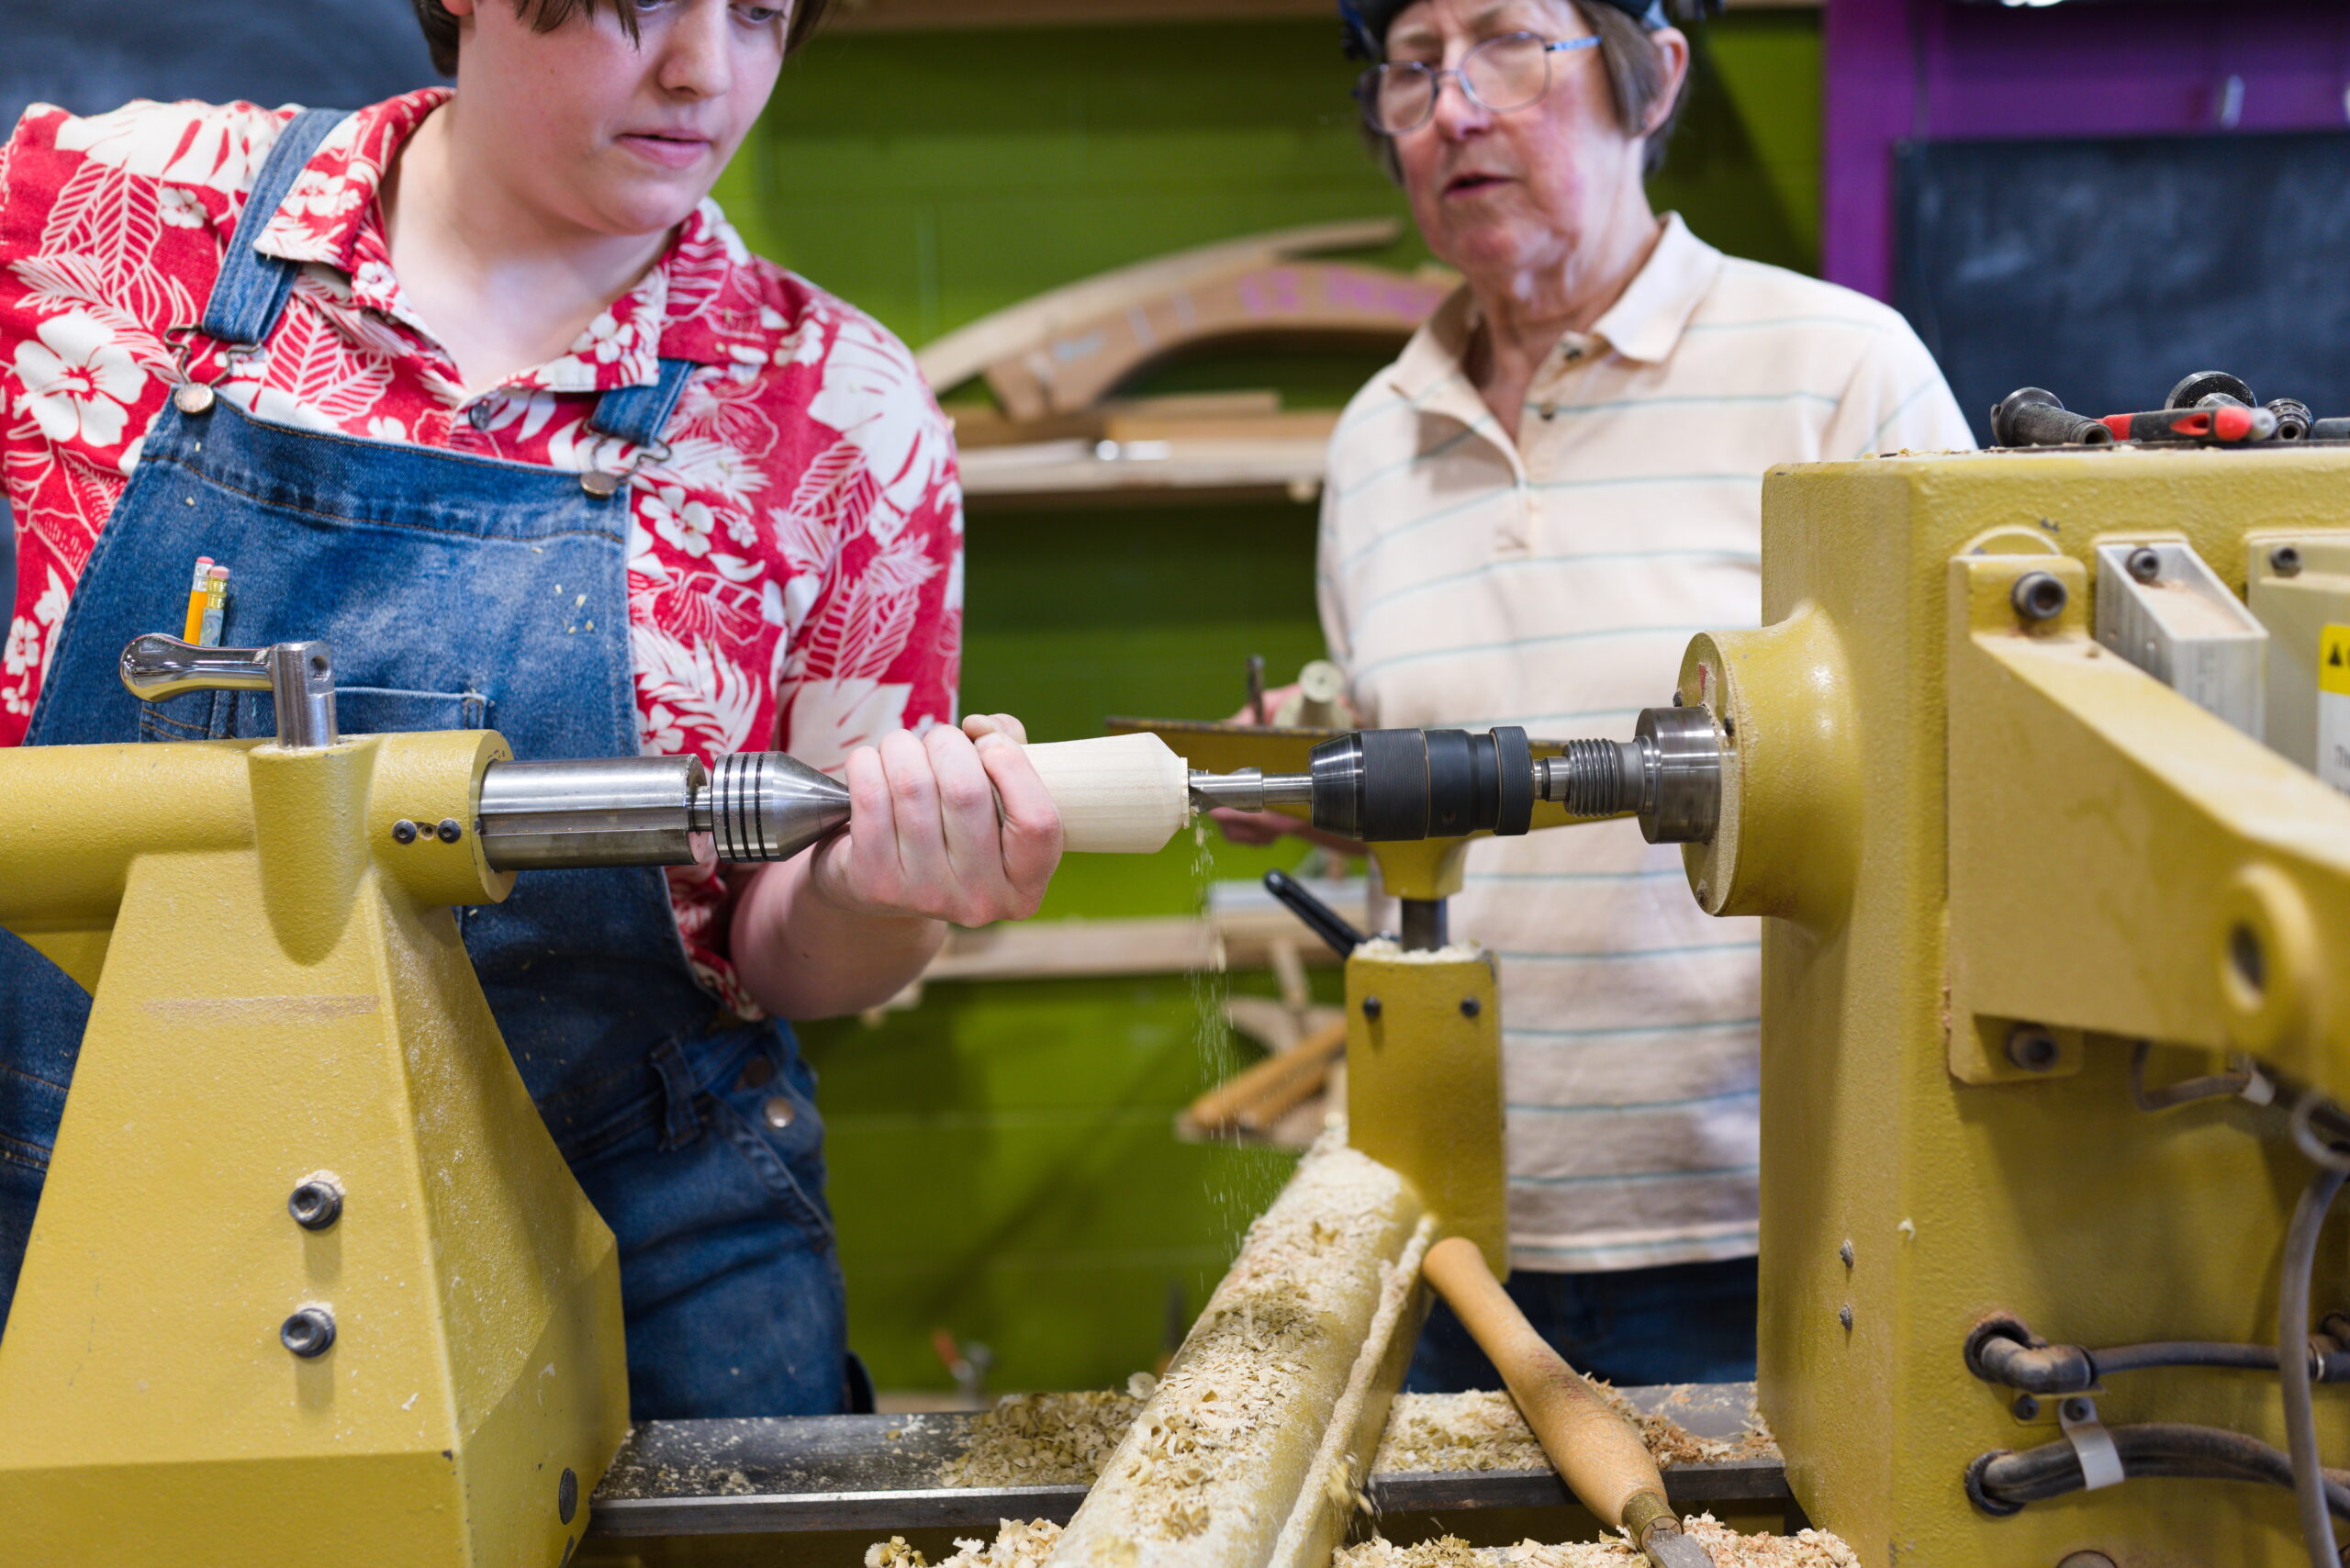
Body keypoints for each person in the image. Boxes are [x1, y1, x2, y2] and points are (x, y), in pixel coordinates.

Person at [0, 0, 1063, 1419]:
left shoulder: (835, 414)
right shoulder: (111, 216)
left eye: (758, 14)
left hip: (621, 1245)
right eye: (642, 3)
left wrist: (881, 887)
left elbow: (792, 953)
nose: (704, 72)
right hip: (98, 1216)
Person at [1221, 0, 1975, 1391]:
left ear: (1653, 78)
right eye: (1412, 66)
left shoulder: (1838, 373)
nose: (1454, 108)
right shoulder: (1379, 436)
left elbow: (1963, 786)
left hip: (1780, 1228)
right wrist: (1320, 789)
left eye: (1508, 43)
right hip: (1447, 1225)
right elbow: (1440, 809)